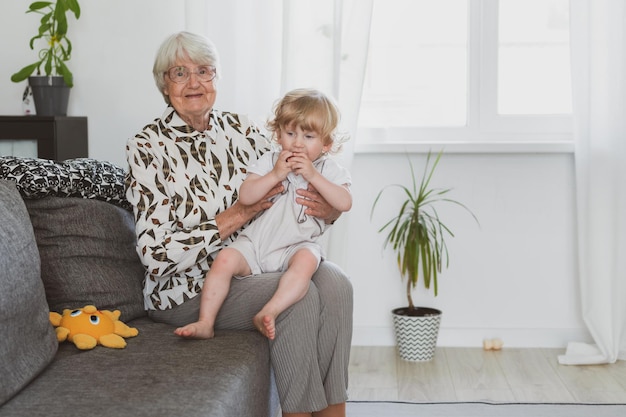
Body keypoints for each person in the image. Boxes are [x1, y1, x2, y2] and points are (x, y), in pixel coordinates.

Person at [125, 31, 352, 417]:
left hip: (258, 259)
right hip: (186, 288)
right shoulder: (148, 146)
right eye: (180, 72)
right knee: (298, 299)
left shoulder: (241, 129)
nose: (194, 82)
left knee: (336, 284)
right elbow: (155, 256)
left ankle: (333, 410)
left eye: (204, 70)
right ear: (164, 84)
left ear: (216, 77)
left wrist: (326, 209)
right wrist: (236, 217)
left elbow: (295, 179)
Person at [175, 88, 352, 341]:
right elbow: (246, 196)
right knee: (224, 259)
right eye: (290, 133)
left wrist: (313, 175)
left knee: (306, 263)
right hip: (257, 243)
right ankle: (205, 322)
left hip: (296, 246)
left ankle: (270, 310)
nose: (298, 143)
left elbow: (344, 202)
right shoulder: (270, 160)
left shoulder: (329, 169)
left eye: (309, 136)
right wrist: (276, 175)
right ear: (278, 135)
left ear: (326, 143)